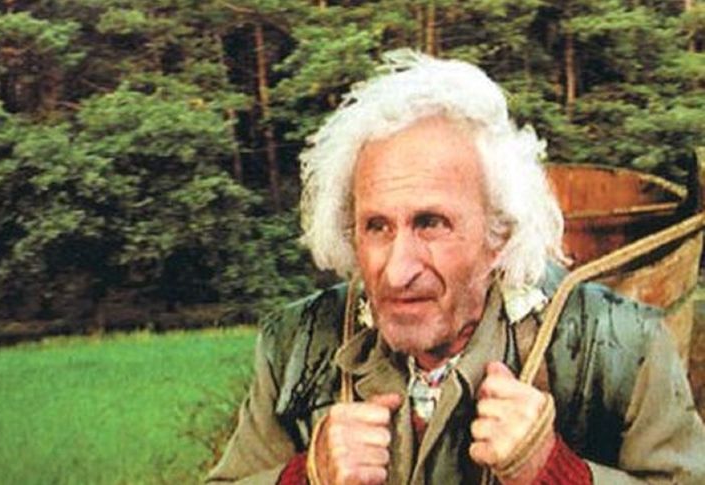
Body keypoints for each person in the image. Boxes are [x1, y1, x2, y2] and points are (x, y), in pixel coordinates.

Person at [206, 51, 705, 485]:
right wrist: (305, 475)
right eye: (376, 226)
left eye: (431, 223)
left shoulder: (624, 347)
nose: (397, 271)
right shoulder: (295, 346)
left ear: (499, 236)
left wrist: (556, 474)